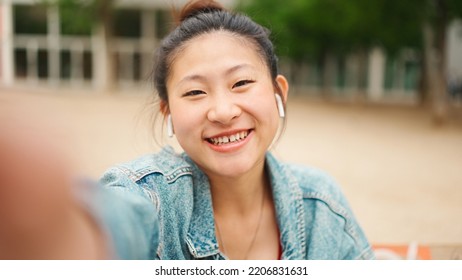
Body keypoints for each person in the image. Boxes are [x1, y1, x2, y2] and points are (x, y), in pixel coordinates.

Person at [0, 0, 374, 260]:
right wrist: (59, 236)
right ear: (169, 114)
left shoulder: (322, 207)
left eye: (242, 83)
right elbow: (118, 222)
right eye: (195, 92)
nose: (224, 111)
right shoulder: (153, 197)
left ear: (279, 92)